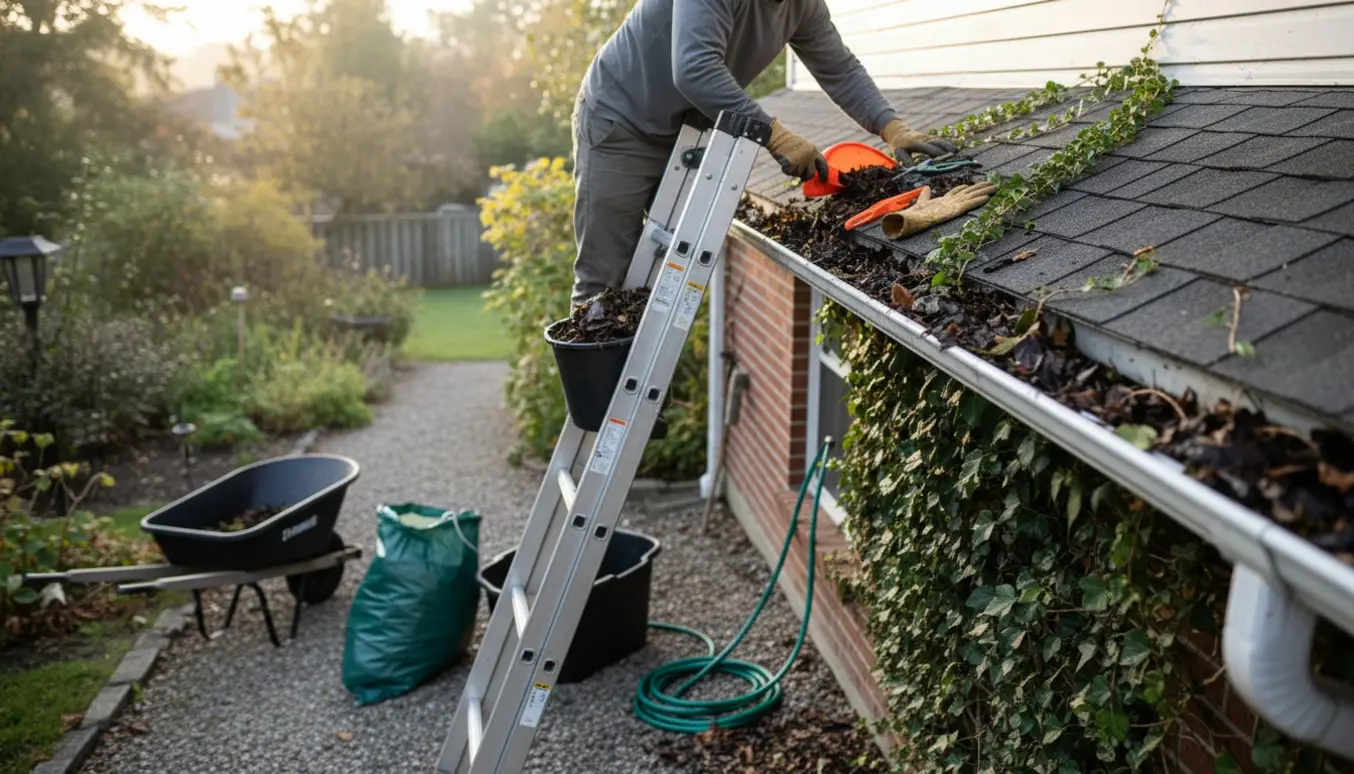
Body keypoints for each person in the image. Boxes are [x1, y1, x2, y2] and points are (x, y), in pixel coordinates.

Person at [567, 0, 958, 307]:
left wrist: (892, 126)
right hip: (621, 122)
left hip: (687, 138)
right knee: (603, 279)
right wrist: (775, 135)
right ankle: (591, 410)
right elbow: (694, 69)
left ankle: (644, 405)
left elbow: (839, 68)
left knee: (666, 273)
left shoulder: (802, 5)